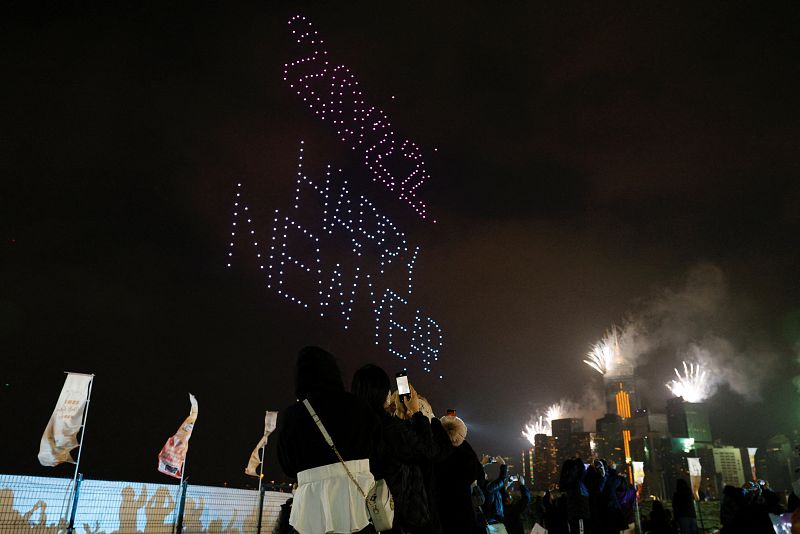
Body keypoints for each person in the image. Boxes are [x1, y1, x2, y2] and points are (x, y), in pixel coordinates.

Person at [276, 347, 382, 534]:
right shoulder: (360, 407)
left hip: (311, 509)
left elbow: (288, 465)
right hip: (357, 505)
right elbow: (375, 450)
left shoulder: (292, 416)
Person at [351, 364, 447, 534]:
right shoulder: (389, 427)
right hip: (390, 516)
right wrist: (416, 413)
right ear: (382, 394)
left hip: (357, 514)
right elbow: (429, 451)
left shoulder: (352, 427)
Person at [434, 414, 485, 534]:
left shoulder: (435, 453)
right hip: (463, 512)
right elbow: (478, 474)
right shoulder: (466, 457)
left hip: (439, 511)